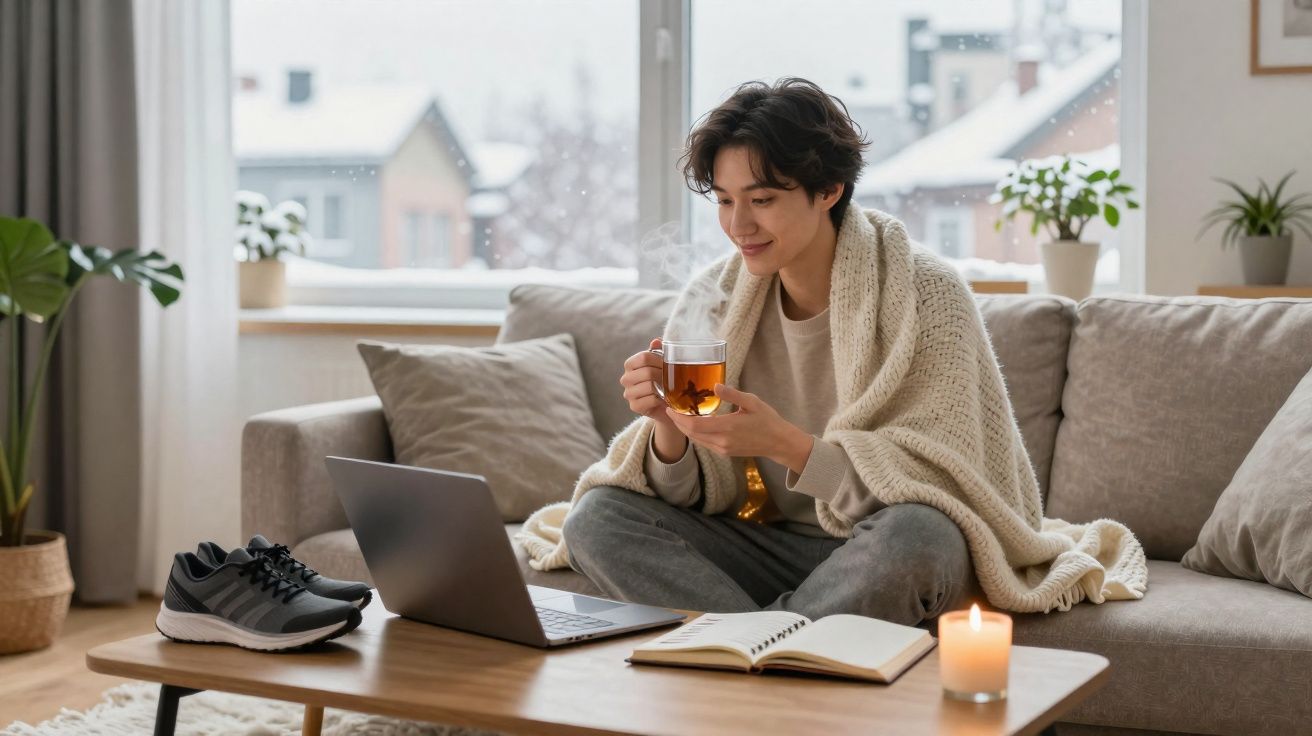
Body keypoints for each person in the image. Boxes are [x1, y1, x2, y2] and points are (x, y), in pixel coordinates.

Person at [515, 78, 1146, 625]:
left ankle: (741, 643)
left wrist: (788, 445)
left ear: (829, 190)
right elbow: (685, 495)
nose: (739, 226)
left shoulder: (926, 293)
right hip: (757, 544)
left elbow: (945, 495)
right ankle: (781, 647)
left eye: (762, 200)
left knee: (922, 538)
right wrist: (666, 431)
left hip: (873, 549)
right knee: (596, 518)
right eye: (725, 201)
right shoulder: (713, 294)